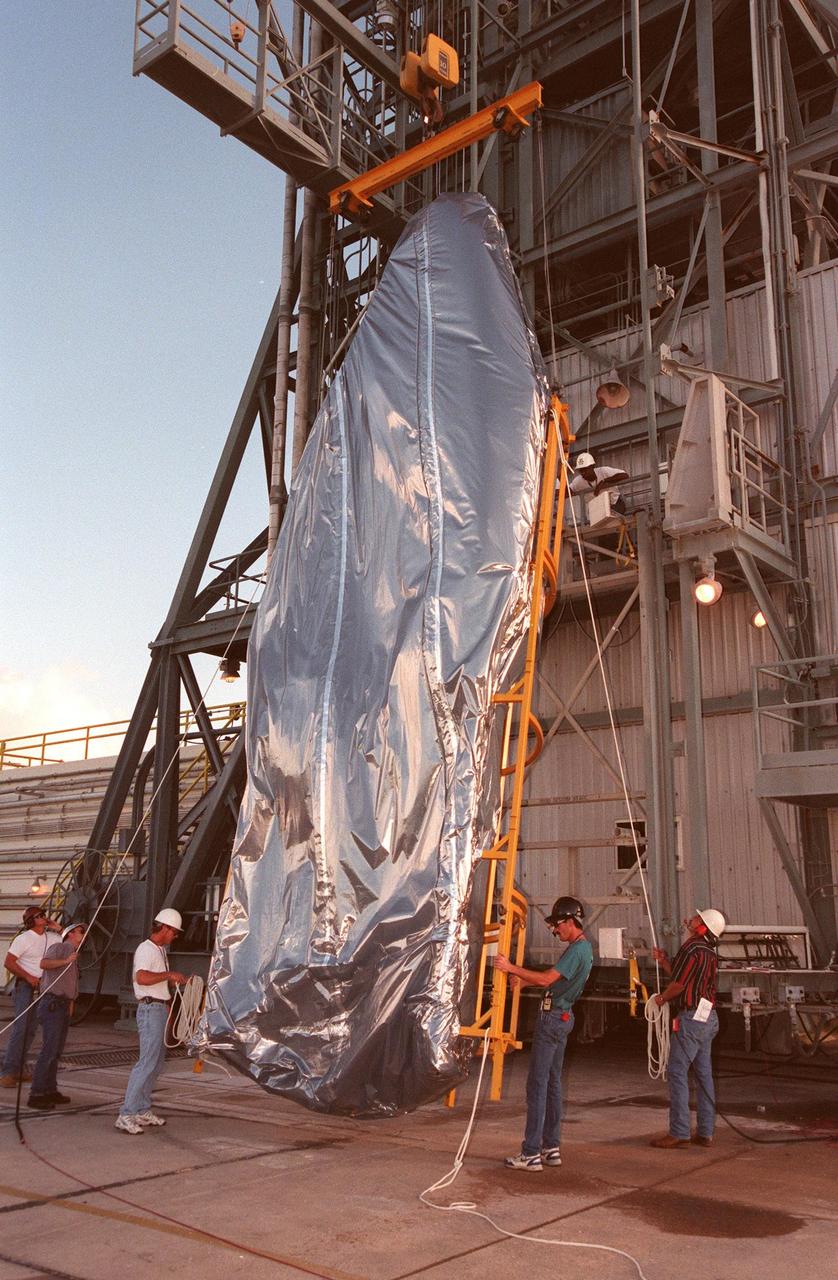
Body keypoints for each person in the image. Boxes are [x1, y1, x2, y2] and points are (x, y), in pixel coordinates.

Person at [494, 896, 593, 1171]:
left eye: (558, 925)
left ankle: (530, 1153)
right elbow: (555, 980)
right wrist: (525, 981)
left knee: (537, 1085)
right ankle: (551, 1148)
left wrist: (511, 967)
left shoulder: (578, 950)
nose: (555, 930)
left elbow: (548, 979)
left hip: (552, 1020)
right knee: (552, 1083)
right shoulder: (581, 949)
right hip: (562, 1017)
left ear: (571, 921)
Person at [649, 907, 727, 1149]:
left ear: (702, 928)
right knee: (704, 1076)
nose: (690, 920)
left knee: (677, 1072)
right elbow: (683, 977)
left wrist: (660, 999)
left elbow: (679, 986)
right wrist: (664, 962)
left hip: (691, 1019)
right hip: (708, 1018)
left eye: (696, 918)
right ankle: (705, 1132)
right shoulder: (709, 952)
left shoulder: (690, 948)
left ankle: (679, 1132)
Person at [115, 908, 188, 1136]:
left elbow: (154, 982)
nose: (174, 936)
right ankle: (126, 1114)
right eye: (173, 932)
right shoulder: (146, 949)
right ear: (164, 928)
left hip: (158, 1008)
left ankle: (141, 1109)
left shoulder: (159, 950)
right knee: (146, 1063)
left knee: (156, 1064)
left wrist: (168, 1008)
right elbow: (141, 977)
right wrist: (169, 976)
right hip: (149, 1009)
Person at [1, 905, 62, 1088]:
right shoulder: (24, 939)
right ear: (31, 921)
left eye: (44, 915)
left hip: (42, 988)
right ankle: (8, 1072)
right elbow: (9, 962)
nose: (44, 917)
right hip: (26, 988)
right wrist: (28, 976)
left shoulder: (51, 937)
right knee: (21, 1029)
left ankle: (18, 1069)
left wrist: (57, 927)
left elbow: (69, 942)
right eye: (40, 916)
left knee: (31, 1030)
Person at [27, 923, 86, 1110]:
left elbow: (71, 986)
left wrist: (70, 1005)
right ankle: (36, 1093)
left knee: (56, 1051)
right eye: (81, 932)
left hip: (62, 1005)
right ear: (70, 934)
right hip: (52, 1004)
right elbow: (44, 963)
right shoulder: (61, 948)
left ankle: (50, 1089)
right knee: (49, 1050)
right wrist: (65, 961)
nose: (84, 935)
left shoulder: (73, 955)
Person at [569, 451, 628, 515]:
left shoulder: (603, 471)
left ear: (592, 466)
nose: (583, 473)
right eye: (581, 471)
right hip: (597, 510)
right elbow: (568, 491)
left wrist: (604, 481)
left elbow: (624, 475)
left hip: (615, 505)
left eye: (585, 469)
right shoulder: (578, 481)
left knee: (612, 519)